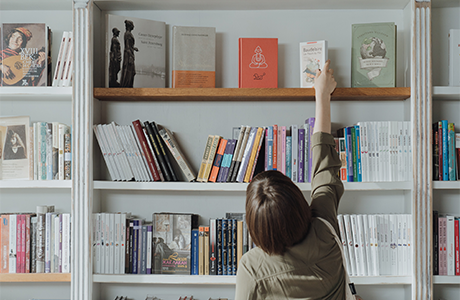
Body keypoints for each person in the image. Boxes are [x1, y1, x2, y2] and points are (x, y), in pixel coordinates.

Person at [235, 60, 348, 299]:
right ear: (298, 202)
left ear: (256, 225)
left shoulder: (252, 267)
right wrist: (322, 95)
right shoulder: (324, 230)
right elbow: (323, 164)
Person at [120, 20, 138, 88]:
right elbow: (127, 47)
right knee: (129, 72)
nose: (134, 26)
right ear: (130, 26)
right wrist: (130, 57)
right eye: (132, 25)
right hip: (128, 55)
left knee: (130, 72)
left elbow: (129, 46)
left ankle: (128, 85)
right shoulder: (128, 34)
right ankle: (127, 86)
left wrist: (134, 48)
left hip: (129, 54)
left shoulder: (128, 33)